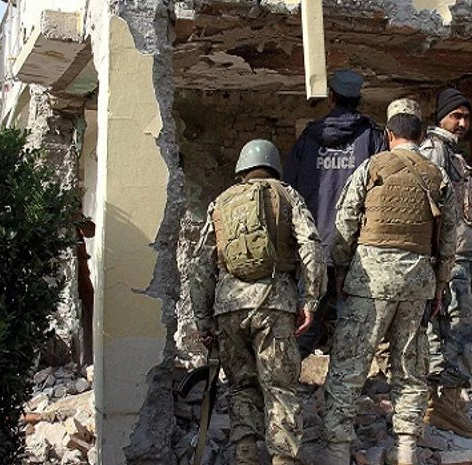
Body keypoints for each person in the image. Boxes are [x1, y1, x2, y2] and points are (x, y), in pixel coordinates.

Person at [319, 99, 456, 465]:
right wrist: (440, 285)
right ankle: (406, 448)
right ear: (423, 135)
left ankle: (336, 449)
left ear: (388, 134)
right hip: (417, 283)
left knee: (349, 367)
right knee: (410, 369)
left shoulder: (370, 167)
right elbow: (448, 240)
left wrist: (341, 271)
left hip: (370, 282)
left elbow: (345, 222)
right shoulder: (437, 176)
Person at [191, 139, 327, 465]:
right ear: (274, 167)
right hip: (274, 304)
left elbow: (199, 266)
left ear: (241, 170)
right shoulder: (286, 194)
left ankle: (246, 455)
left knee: (241, 386)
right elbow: (311, 245)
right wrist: (311, 298)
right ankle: (284, 460)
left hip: (228, 307)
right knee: (280, 388)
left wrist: (203, 320)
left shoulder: (220, 203)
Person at [283, 68, 387, 358]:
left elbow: (288, 190)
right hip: (355, 247)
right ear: (359, 99)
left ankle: (293, 377)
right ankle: (347, 384)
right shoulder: (372, 138)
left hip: (312, 244)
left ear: (331, 98)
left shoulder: (308, 138)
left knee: (306, 316)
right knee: (351, 319)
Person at [419, 88, 472, 438]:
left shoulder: (454, 153)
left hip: (459, 258)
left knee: (450, 328)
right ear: (441, 116)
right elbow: (429, 206)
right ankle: (443, 404)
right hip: (448, 260)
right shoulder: (436, 150)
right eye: (455, 115)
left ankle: (442, 402)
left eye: (466, 117)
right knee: (459, 328)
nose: (461, 122)